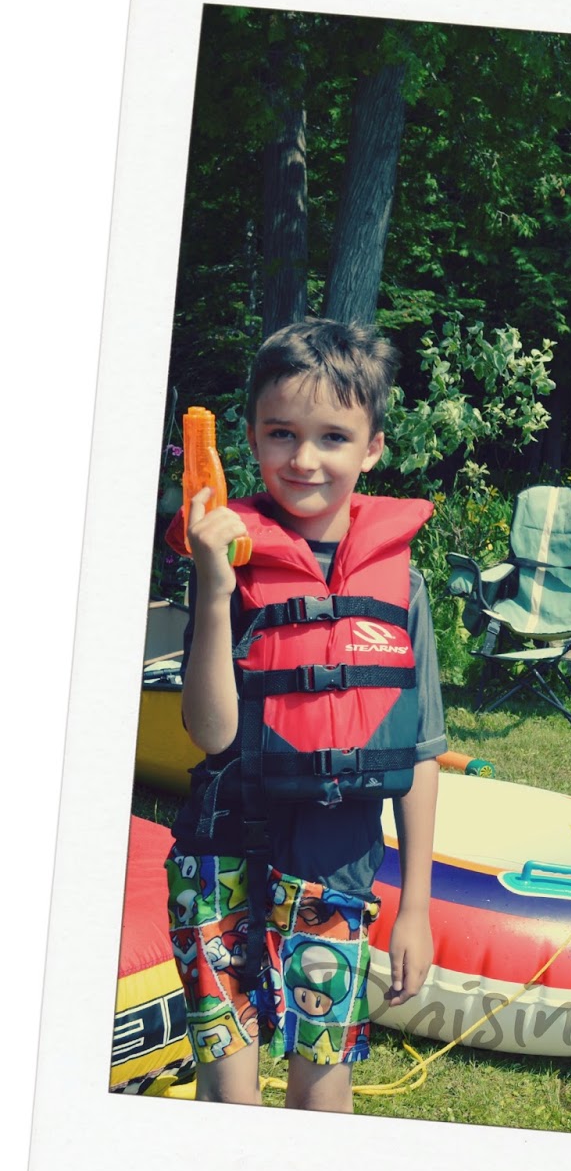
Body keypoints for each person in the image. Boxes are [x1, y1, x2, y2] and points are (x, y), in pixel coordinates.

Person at [164, 318, 445, 1113]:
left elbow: (421, 754)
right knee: (228, 1091)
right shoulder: (226, 555)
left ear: (372, 448)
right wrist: (214, 588)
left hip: (337, 859)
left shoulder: (402, 586)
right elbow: (211, 732)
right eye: (281, 433)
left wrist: (415, 909)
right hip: (219, 851)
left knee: (322, 1090)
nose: (304, 459)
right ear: (252, 437)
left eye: (332, 437)